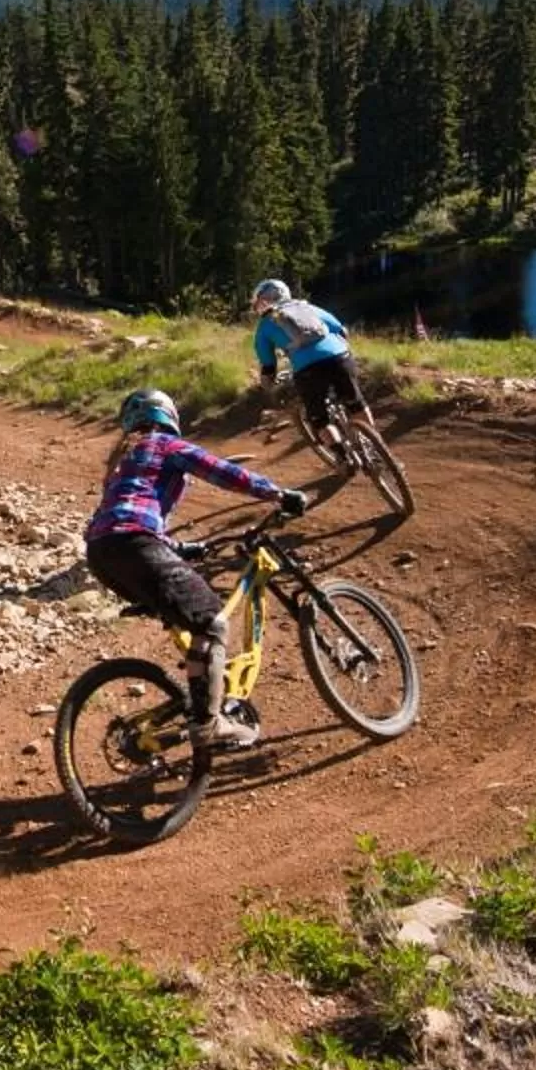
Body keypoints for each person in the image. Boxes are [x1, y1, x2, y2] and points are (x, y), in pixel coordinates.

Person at [82, 387, 305, 749]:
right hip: (136, 545)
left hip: (102, 555)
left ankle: (198, 703)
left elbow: (122, 519)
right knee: (211, 622)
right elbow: (221, 471)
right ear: (167, 415)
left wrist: (179, 549)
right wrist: (276, 493)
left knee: (190, 620)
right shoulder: (164, 445)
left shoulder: (122, 462)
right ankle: (209, 723)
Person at [250, 277, 372, 457]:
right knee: (357, 404)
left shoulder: (265, 324)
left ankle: (343, 458)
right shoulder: (307, 307)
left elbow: (268, 364)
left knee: (320, 420)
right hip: (340, 358)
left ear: (264, 300)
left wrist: (269, 383)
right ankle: (374, 448)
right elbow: (341, 330)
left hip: (308, 370)